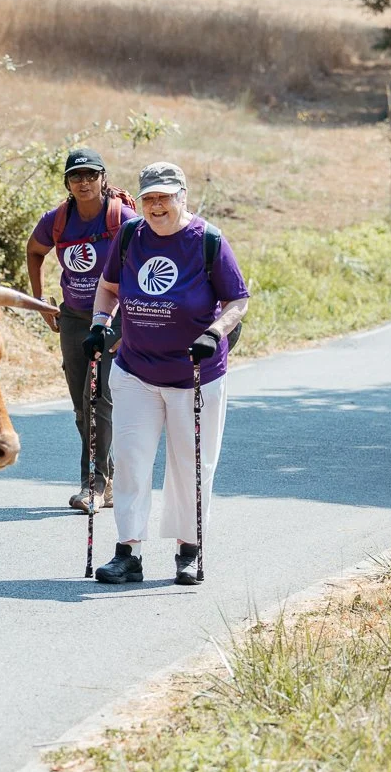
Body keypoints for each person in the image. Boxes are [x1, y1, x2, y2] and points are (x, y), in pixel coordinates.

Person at [83, 162, 251, 586]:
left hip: (195, 374)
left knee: (191, 465)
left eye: (165, 197)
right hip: (136, 370)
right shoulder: (130, 236)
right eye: (150, 198)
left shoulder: (208, 241)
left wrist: (215, 333)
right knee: (131, 460)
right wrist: (100, 323)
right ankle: (128, 552)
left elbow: (237, 301)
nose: (157, 206)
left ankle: (189, 551)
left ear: (182, 196)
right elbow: (109, 286)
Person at [27, 148, 133, 510]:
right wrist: (41, 301)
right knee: (80, 405)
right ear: (67, 183)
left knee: (99, 397)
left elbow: (143, 264)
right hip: (73, 317)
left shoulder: (122, 219)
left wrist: (128, 322)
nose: (83, 182)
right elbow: (34, 251)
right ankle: (107, 475)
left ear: (104, 178)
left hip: (114, 316)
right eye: (76, 176)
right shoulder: (57, 220)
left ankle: (93, 486)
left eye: (90, 175)